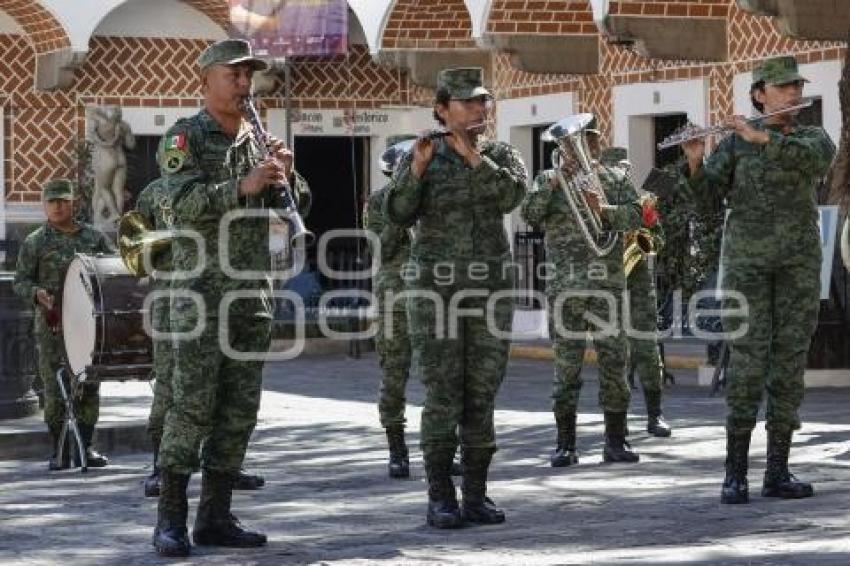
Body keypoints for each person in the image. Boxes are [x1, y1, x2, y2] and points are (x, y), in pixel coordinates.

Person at [152, 38, 310, 557]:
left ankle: (215, 517)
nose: (244, 85)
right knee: (191, 407)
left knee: (239, 409)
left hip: (251, 293)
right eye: (233, 75)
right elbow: (178, 207)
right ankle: (170, 519)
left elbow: (295, 203)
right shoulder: (184, 138)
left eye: (249, 76)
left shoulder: (258, 138)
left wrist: (287, 174)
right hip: (197, 294)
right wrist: (239, 186)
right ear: (205, 81)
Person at [680, 55, 835, 504]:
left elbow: (814, 163)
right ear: (759, 94)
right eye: (783, 87)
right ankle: (735, 474)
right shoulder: (734, 145)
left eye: (795, 87)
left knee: (788, 366)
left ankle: (778, 471)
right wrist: (695, 163)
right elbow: (707, 203)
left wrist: (760, 137)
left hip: (798, 267)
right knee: (746, 363)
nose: (792, 94)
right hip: (748, 265)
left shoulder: (811, 137)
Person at [387, 67, 527, 528]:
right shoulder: (420, 154)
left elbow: (512, 197)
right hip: (436, 293)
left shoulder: (502, 155)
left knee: (482, 392)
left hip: (489, 291)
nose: (477, 110)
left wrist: (474, 159)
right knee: (443, 392)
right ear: (442, 110)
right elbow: (397, 212)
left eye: (482, 101)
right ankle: (440, 495)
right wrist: (418, 170)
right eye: (466, 103)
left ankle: (477, 494)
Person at [521, 115, 642, 468]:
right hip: (566, 288)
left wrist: (600, 209)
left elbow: (639, 217)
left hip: (607, 286)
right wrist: (554, 184)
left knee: (615, 363)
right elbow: (529, 214)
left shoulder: (615, 179)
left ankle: (616, 441)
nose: (576, 150)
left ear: (597, 145)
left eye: (585, 142)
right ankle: (565, 444)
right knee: (567, 367)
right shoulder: (547, 179)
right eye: (570, 144)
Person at [136, 178, 267, 497]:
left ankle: (224, 466)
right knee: (170, 383)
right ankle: (159, 469)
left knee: (228, 388)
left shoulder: (243, 179)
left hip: (227, 291)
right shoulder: (153, 192)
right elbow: (139, 245)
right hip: (172, 296)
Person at [13, 178, 114, 470]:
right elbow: (21, 281)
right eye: (52, 202)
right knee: (54, 387)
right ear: (45, 205)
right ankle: (58, 449)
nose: (57, 207)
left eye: (62, 201)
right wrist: (36, 293)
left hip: (90, 324)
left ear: (73, 203)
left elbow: (111, 269)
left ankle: (86, 446)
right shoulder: (35, 242)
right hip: (52, 325)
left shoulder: (93, 238)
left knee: (88, 383)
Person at [592, 140, 672, 438]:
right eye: (616, 170)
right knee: (615, 352)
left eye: (626, 170)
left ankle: (655, 414)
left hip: (639, 281)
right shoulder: (597, 204)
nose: (622, 175)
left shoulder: (642, 203)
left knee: (647, 348)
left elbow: (658, 242)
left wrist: (646, 234)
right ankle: (618, 419)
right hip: (608, 280)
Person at [365, 136, 415, 478]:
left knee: (443, 378)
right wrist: (401, 210)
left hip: (438, 297)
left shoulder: (435, 199)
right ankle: (396, 449)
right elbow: (380, 249)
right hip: (395, 299)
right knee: (394, 375)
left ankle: (446, 447)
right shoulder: (378, 202)